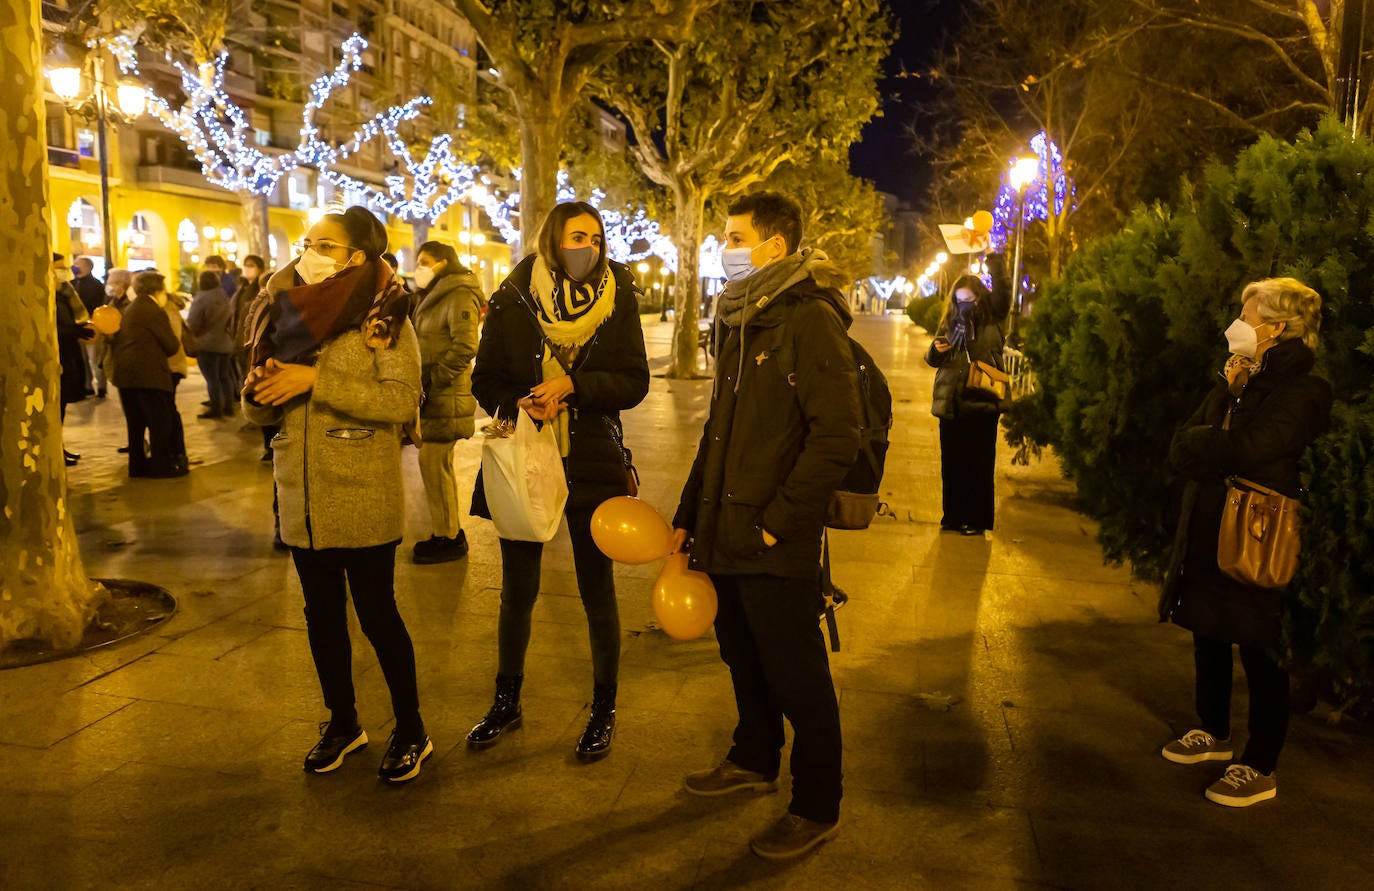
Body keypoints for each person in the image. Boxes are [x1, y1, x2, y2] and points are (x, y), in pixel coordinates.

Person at [671, 191, 860, 861]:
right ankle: (753, 756)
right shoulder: (739, 319)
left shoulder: (807, 320)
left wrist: (781, 523)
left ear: (774, 246)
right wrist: (689, 514)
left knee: (797, 674)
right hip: (726, 527)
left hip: (774, 539)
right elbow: (716, 432)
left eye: (736, 235)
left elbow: (837, 434)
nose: (726, 246)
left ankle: (816, 803)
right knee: (741, 653)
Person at [242, 205, 431, 783]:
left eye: (324, 244)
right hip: (298, 490)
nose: (309, 252)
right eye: (307, 242)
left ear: (356, 256)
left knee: (377, 614)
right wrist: (259, 391)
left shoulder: (389, 313)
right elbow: (257, 412)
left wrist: (317, 380)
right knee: (320, 616)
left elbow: (402, 402)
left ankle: (411, 728)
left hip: (361, 490)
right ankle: (343, 722)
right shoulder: (286, 312)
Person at [466, 201, 649, 761]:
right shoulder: (513, 295)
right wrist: (519, 402)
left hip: (592, 455)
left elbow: (634, 380)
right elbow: (485, 377)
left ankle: (603, 708)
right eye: (577, 236)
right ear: (553, 240)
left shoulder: (619, 295)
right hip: (529, 452)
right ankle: (507, 701)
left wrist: (572, 387)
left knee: (598, 588)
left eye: (596, 237)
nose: (587, 247)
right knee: (518, 588)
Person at [1160, 277, 1332, 808]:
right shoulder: (1240, 376)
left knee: (1260, 648)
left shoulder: (1306, 390)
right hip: (1213, 522)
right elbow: (1183, 442)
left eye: (1248, 314)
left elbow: (1253, 448)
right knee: (1207, 632)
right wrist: (1220, 419)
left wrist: (1210, 442)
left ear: (1277, 328)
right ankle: (1213, 730)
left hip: (1258, 533)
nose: (1238, 323)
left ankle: (1260, 763)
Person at [924, 255, 1011, 535]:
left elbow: (1004, 290)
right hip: (951, 401)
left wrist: (994, 261)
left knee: (979, 464)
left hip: (982, 399)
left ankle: (976, 519)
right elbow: (933, 358)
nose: (964, 307)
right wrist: (935, 352)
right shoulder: (950, 322)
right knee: (953, 463)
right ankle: (952, 515)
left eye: (969, 300)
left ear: (980, 299)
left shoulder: (993, 317)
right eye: (959, 300)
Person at [410, 241, 484, 564]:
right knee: (436, 467)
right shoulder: (435, 295)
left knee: (435, 465)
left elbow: (466, 345)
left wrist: (434, 379)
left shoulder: (457, 295)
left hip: (444, 395)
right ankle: (447, 532)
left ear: (443, 262)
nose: (420, 267)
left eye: (426, 261)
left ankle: (448, 537)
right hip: (433, 396)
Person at [109, 272, 186, 478]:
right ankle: (161, 467)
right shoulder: (153, 310)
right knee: (160, 423)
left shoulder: (132, 308)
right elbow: (171, 345)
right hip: (149, 377)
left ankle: (137, 466)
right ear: (159, 290)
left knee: (135, 425)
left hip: (126, 376)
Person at [53, 253, 94, 465]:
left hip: (68, 355)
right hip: (59, 357)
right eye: (58, 267)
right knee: (56, 407)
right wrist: (73, 331)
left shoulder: (64, 292)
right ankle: (55, 449)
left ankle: (60, 447)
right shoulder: (50, 295)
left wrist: (77, 329)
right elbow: (50, 329)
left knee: (62, 406)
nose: (63, 271)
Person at [188, 270, 238, 419]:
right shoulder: (223, 295)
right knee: (224, 376)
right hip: (224, 342)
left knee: (212, 379)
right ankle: (228, 406)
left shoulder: (201, 298)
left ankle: (215, 409)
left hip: (206, 344)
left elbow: (193, 322)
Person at [71, 257, 107, 397]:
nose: (74, 267)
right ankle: (87, 386)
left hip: (92, 327)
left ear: (87, 267)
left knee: (94, 359)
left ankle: (101, 386)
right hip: (77, 327)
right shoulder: (72, 283)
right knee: (82, 359)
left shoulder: (96, 285)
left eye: (77, 264)